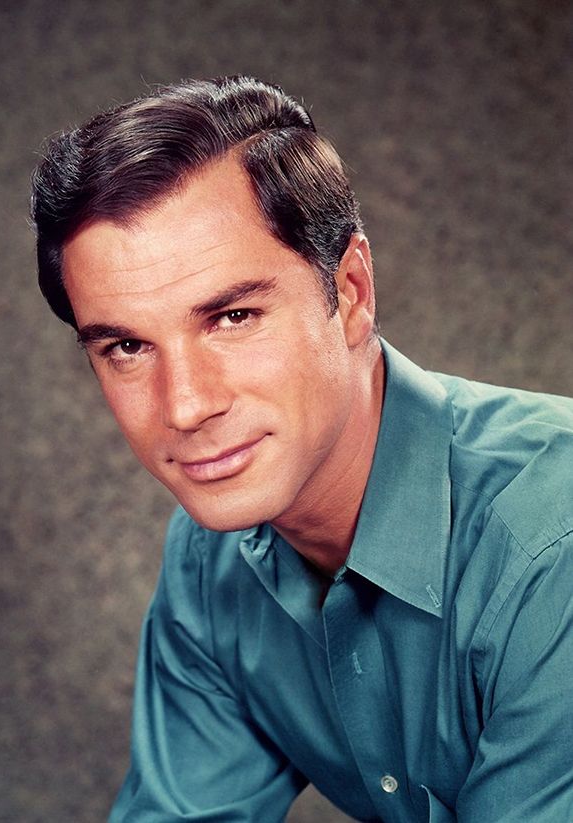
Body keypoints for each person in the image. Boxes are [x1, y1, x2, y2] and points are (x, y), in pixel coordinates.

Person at [30, 76, 573, 822]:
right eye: (126, 346)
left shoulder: (553, 549)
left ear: (349, 291)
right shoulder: (211, 559)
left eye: (233, 317)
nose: (185, 406)